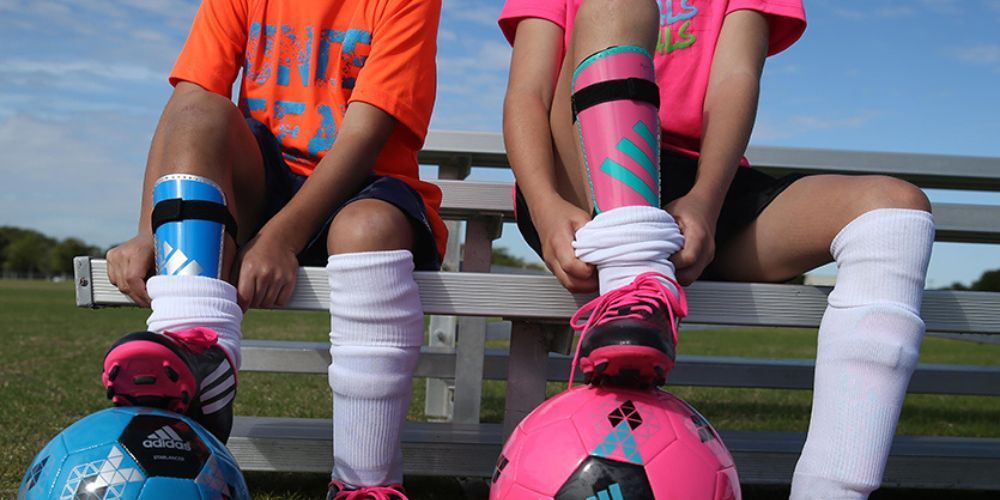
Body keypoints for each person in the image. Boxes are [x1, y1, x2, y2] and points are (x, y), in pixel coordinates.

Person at [498, 0, 934, 497]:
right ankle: (633, 283)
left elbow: (735, 80)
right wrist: (545, 203)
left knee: (896, 211)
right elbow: (526, 94)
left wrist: (706, 201)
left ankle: (832, 490)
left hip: (701, 186)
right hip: (580, 178)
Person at [103, 0, 445, 497]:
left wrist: (279, 238)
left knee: (368, 227)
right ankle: (200, 351)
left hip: (362, 184)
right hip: (264, 185)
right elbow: (189, 102)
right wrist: (146, 229)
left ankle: (365, 483)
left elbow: (368, 129)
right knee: (201, 106)